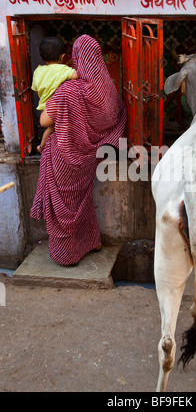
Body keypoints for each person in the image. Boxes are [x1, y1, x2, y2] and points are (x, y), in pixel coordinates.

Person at [30, 35, 126, 266]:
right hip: (88, 158)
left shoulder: (68, 90)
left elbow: (44, 121)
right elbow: (117, 116)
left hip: (64, 155)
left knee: (64, 206)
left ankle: (66, 255)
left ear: (76, 58)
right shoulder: (108, 91)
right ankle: (92, 242)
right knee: (81, 202)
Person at [32, 37, 79, 153]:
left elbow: (36, 89)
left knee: (51, 129)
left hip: (45, 109)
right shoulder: (62, 69)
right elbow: (76, 75)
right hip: (57, 110)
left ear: (42, 57)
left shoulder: (38, 71)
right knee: (67, 127)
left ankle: (41, 147)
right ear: (63, 57)